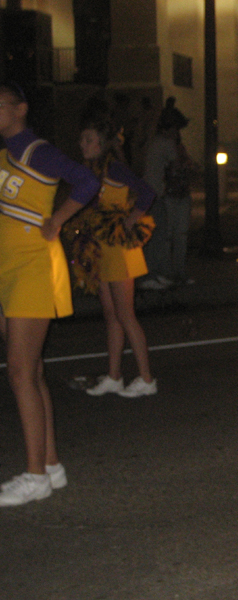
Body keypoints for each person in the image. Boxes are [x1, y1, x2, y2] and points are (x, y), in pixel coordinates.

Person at [0, 82, 100, 506]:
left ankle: (35, 474)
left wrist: (57, 219)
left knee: (20, 372)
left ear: (20, 108)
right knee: (32, 370)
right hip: (8, 268)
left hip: (33, 267)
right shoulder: (5, 154)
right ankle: (51, 465)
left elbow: (85, 180)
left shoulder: (36, 150)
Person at [70, 106, 158, 398]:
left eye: (89, 139)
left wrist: (131, 219)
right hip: (101, 250)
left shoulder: (114, 169)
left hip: (119, 249)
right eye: (82, 139)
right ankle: (114, 375)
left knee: (125, 314)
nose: (83, 145)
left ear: (102, 143)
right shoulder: (90, 171)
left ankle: (146, 378)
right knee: (111, 315)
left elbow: (146, 193)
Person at [141, 97, 194, 288]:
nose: (177, 133)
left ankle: (167, 273)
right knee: (165, 236)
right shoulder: (166, 144)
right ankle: (161, 273)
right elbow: (180, 166)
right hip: (162, 195)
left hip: (160, 194)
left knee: (167, 236)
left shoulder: (157, 142)